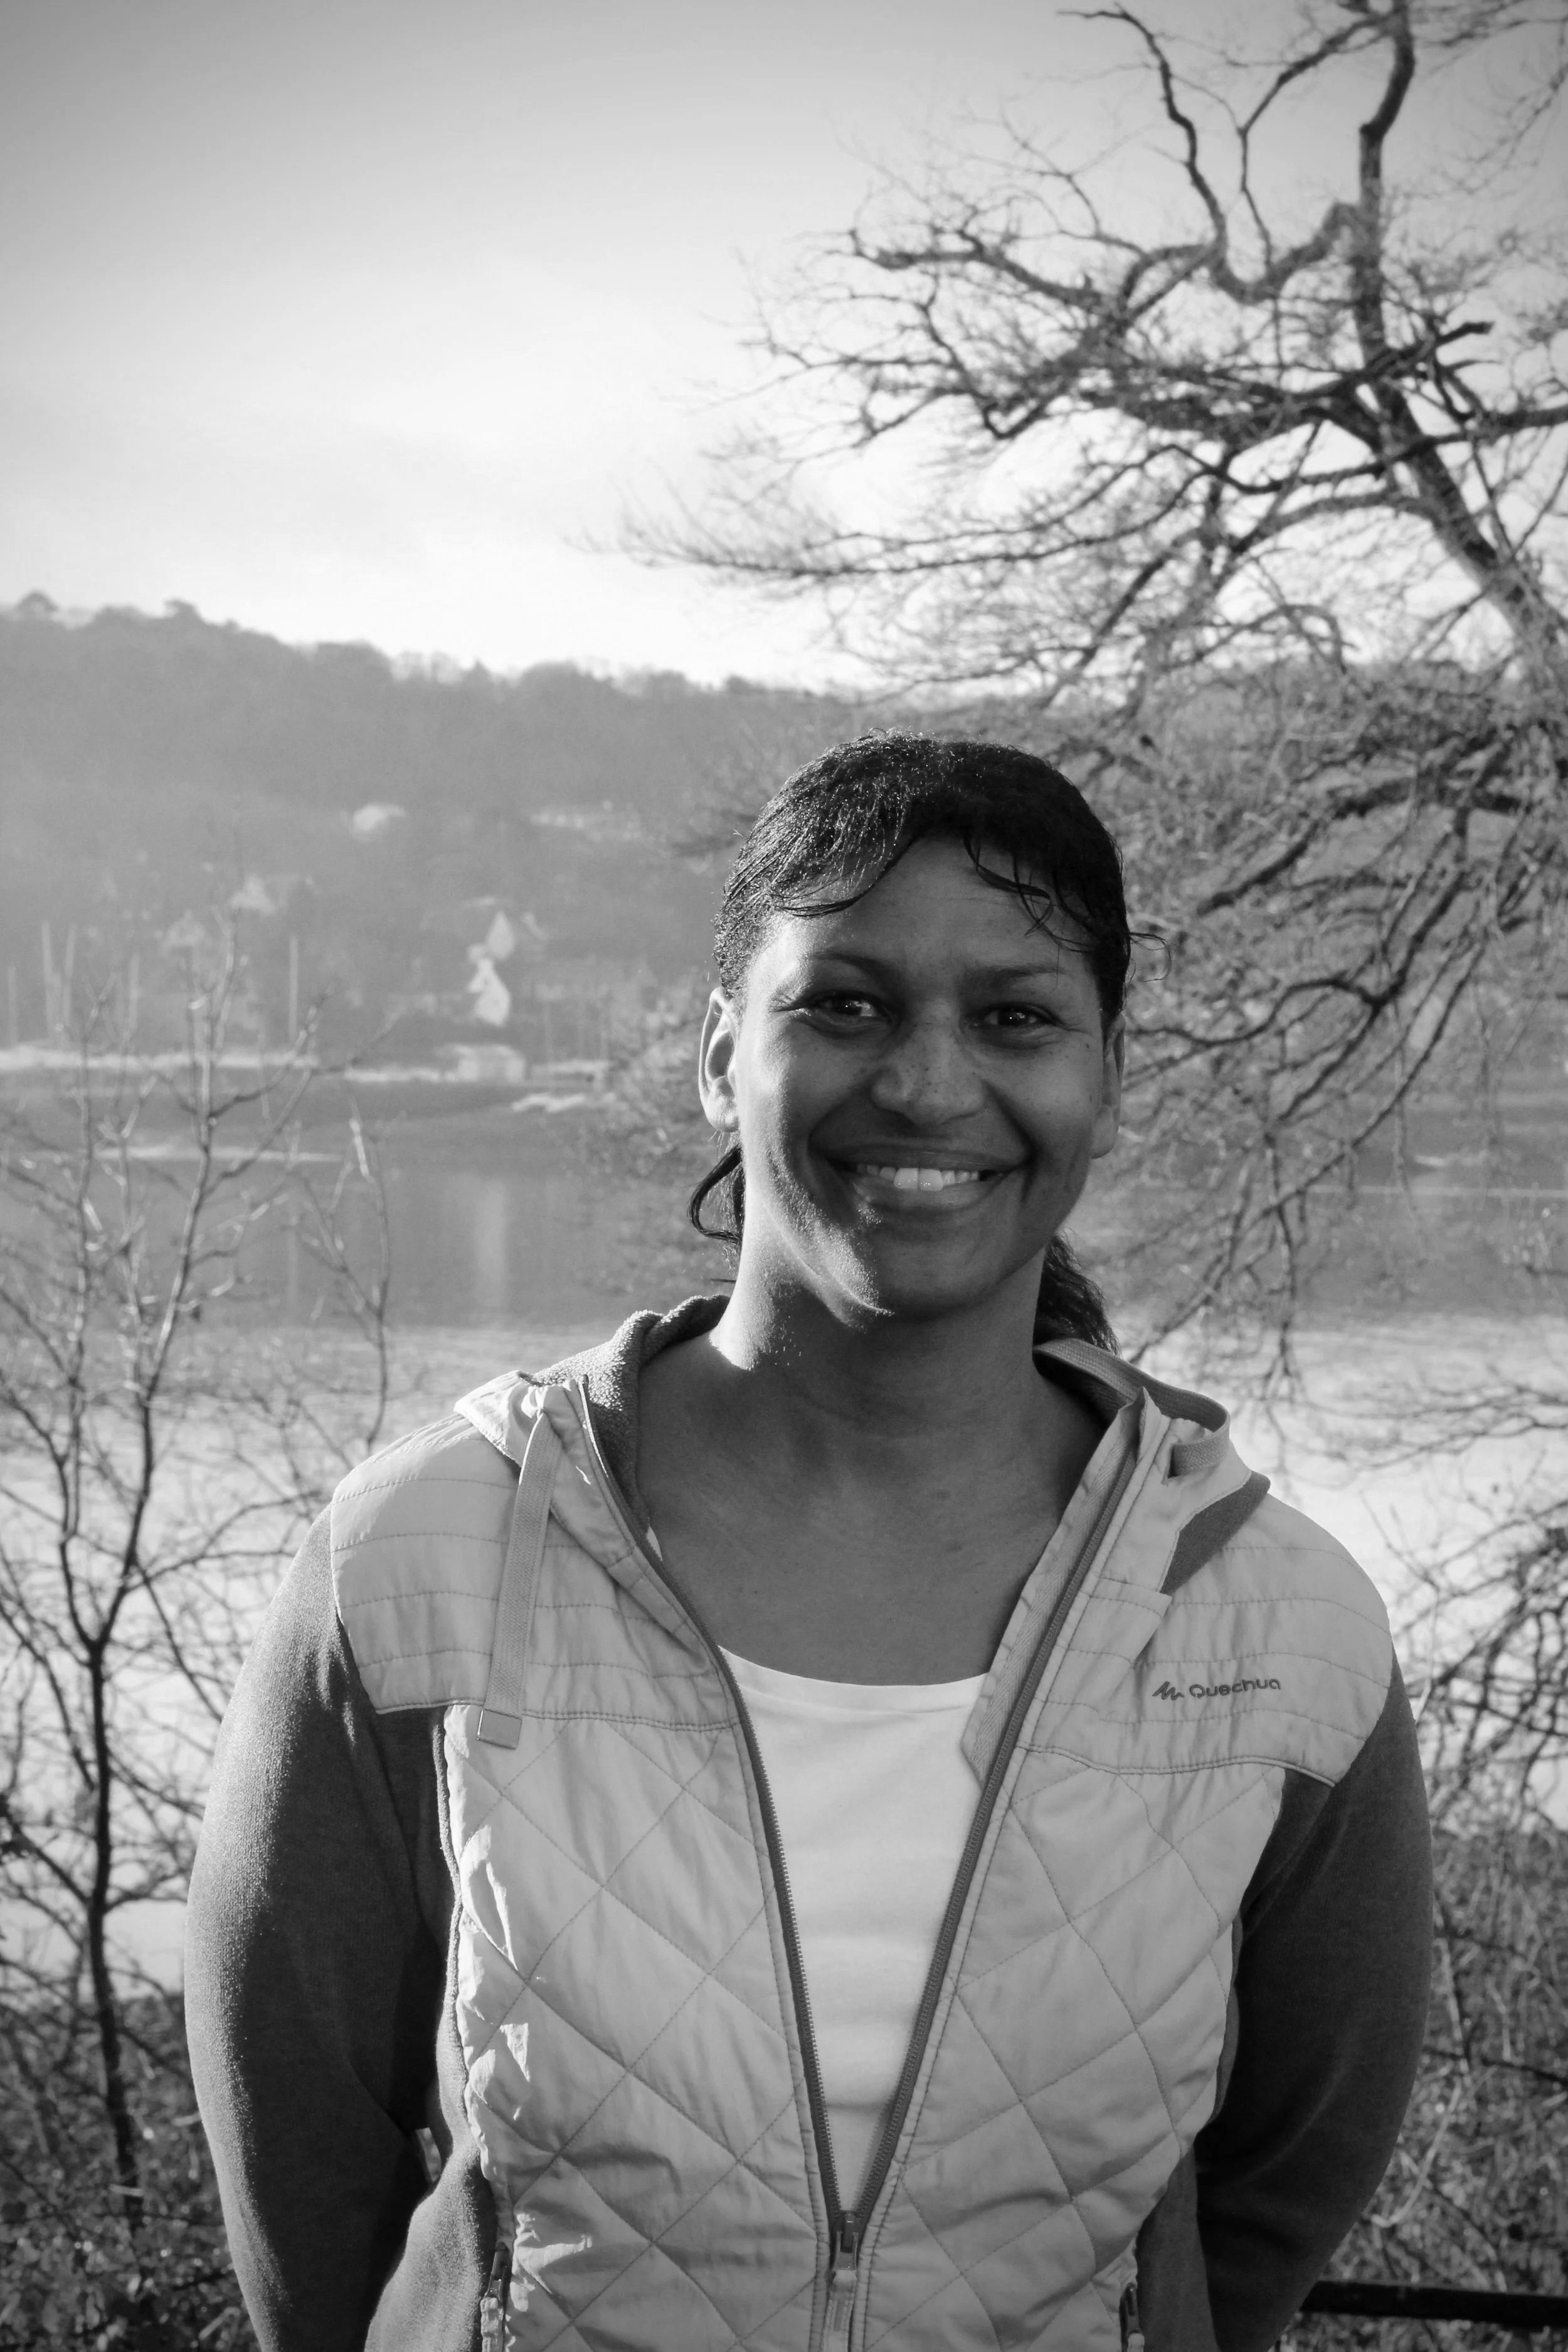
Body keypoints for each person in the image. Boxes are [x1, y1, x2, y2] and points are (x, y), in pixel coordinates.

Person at [187, 733, 1432, 2352]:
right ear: (721, 1053)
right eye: (842, 1002)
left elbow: (1268, 2197)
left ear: (1106, 1078)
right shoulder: (420, 1563)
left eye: (1015, 1017)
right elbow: (309, 2180)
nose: (924, 1082)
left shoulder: (1273, 1633)